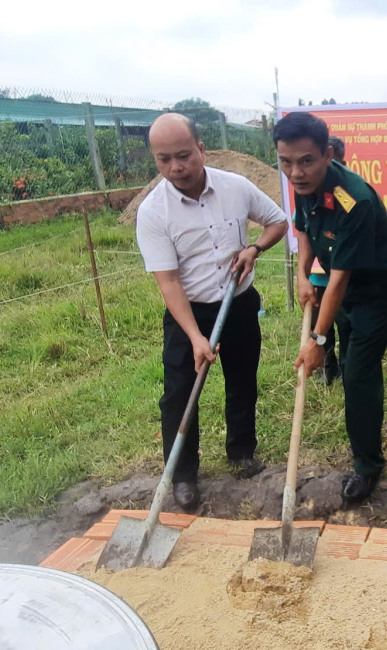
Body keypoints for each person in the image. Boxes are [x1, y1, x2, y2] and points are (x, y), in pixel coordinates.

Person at [136, 113, 289, 509]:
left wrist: (254, 249)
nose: (176, 167)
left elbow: (277, 222)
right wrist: (195, 337)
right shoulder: (154, 212)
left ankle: (241, 454)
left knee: (241, 381)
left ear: (202, 149)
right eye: (164, 159)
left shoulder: (235, 187)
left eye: (184, 155)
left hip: (237, 305)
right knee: (178, 394)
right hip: (189, 313)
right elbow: (168, 282)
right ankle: (183, 476)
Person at [279, 112, 387, 504]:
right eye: (285, 162)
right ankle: (363, 446)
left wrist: (317, 338)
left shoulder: (356, 201)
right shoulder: (306, 186)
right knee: (349, 363)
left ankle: (368, 466)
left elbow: (340, 280)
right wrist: (301, 273)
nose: (295, 173)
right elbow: (304, 229)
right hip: (341, 288)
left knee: (358, 375)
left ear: (327, 154)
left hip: (371, 292)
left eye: (305, 161)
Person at [308, 135, 349, 384]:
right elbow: (302, 227)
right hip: (318, 277)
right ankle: (326, 367)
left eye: (339, 164)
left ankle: (347, 370)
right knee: (321, 327)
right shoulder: (312, 192)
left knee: (345, 324)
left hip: (342, 278)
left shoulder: (349, 195)